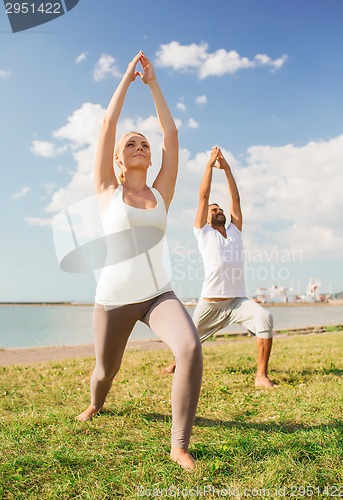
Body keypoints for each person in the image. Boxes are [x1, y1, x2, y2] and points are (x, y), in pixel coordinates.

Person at [77, 51, 202, 470]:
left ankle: (178, 445)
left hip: (156, 294)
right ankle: (96, 404)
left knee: (188, 347)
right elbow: (107, 126)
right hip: (112, 300)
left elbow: (171, 133)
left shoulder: (161, 192)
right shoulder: (106, 191)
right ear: (118, 158)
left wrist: (153, 84)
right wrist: (126, 81)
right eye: (131, 143)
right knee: (104, 372)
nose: (139, 145)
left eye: (144, 144)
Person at [165, 146, 274, 388]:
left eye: (220, 209)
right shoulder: (203, 233)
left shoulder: (235, 231)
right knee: (189, 341)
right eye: (214, 210)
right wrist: (209, 166)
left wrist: (227, 169)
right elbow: (203, 196)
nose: (219, 211)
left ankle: (261, 376)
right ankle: (176, 364)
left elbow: (235, 199)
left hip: (237, 301)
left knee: (264, 318)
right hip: (210, 303)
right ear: (205, 217)